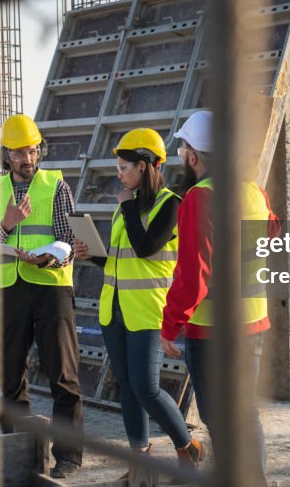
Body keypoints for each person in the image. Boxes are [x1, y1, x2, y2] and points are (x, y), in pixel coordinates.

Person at [72, 128, 204, 478]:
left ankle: (186, 446)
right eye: (117, 167)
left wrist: (128, 205)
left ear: (145, 166)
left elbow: (146, 248)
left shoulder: (171, 204)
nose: (119, 174)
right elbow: (122, 258)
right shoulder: (126, 207)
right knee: (127, 387)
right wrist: (93, 255)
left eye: (124, 167)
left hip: (147, 310)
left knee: (146, 387)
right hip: (113, 309)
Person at [159, 110, 280, 484]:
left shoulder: (199, 198)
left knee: (218, 420)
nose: (181, 154)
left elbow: (193, 275)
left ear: (193, 157)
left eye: (182, 148)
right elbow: (272, 232)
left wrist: (170, 326)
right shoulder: (253, 191)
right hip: (252, 322)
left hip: (212, 331)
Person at [0, 114, 83, 480]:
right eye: (20, 152)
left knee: (62, 376)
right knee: (8, 377)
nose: (28, 159)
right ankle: (17, 449)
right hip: (9, 289)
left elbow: (70, 237)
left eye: (32, 150)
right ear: (7, 154)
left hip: (51, 288)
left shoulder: (56, 185)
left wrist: (55, 254)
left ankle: (68, 456)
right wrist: (6, 224)